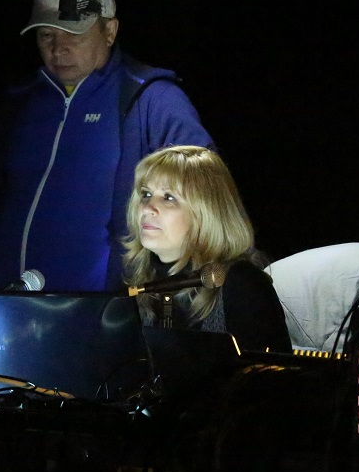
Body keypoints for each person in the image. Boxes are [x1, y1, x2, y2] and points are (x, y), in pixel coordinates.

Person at [0, 0, 213, 292]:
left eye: (73, 34)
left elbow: (207, 194)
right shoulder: (16, 100)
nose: (58, 48)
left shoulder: (150, 98)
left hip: (100, 310)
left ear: (110, 31)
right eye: (46, 35)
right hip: (0, 304)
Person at [122, 145, 289, 355]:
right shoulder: (137, 282)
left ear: (206, 212)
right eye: (146, 194)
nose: (147, 208)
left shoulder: (241, 284)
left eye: (168, 197)